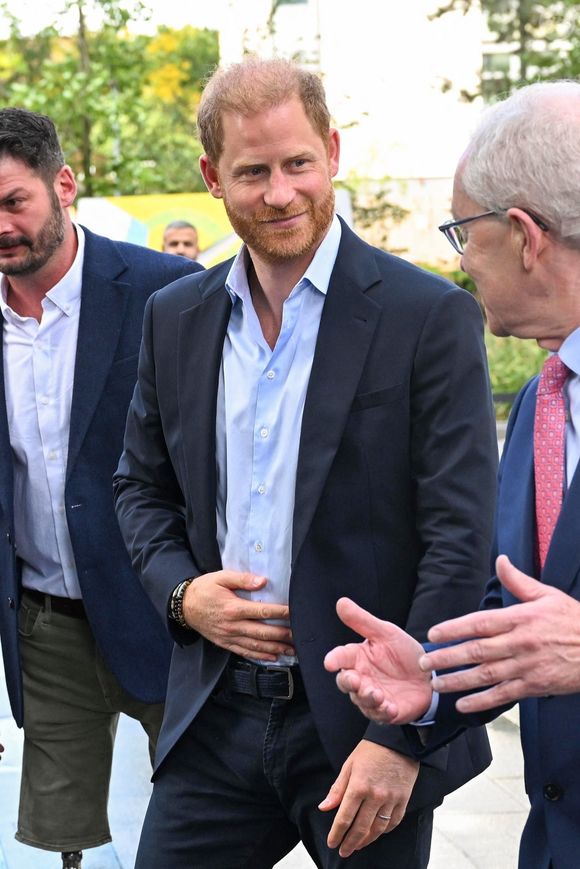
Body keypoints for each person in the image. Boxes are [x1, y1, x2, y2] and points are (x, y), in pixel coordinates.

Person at [113, 57, 497, 869]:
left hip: (363, 721)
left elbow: (459, 539)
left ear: (331, 151)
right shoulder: (174, 317)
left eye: (297, 164)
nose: (280, 193)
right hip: (215, 718)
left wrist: (405, 734)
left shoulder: (428, 316)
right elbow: (139, 486)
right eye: (253, 171)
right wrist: (183, 595)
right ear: (213, 177)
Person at [324, 79, 580, 869]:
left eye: (464, 232)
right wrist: (430, 684)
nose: (461, 259)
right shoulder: (544, 396)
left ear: (524, 233)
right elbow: (519, 613)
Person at [0, 108, 202, 869]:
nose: (2, 226)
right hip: (44, 618)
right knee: (60, 831)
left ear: (63, 185)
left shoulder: (167, 291)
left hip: (165, 611)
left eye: (13, 201)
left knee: (201, 804)